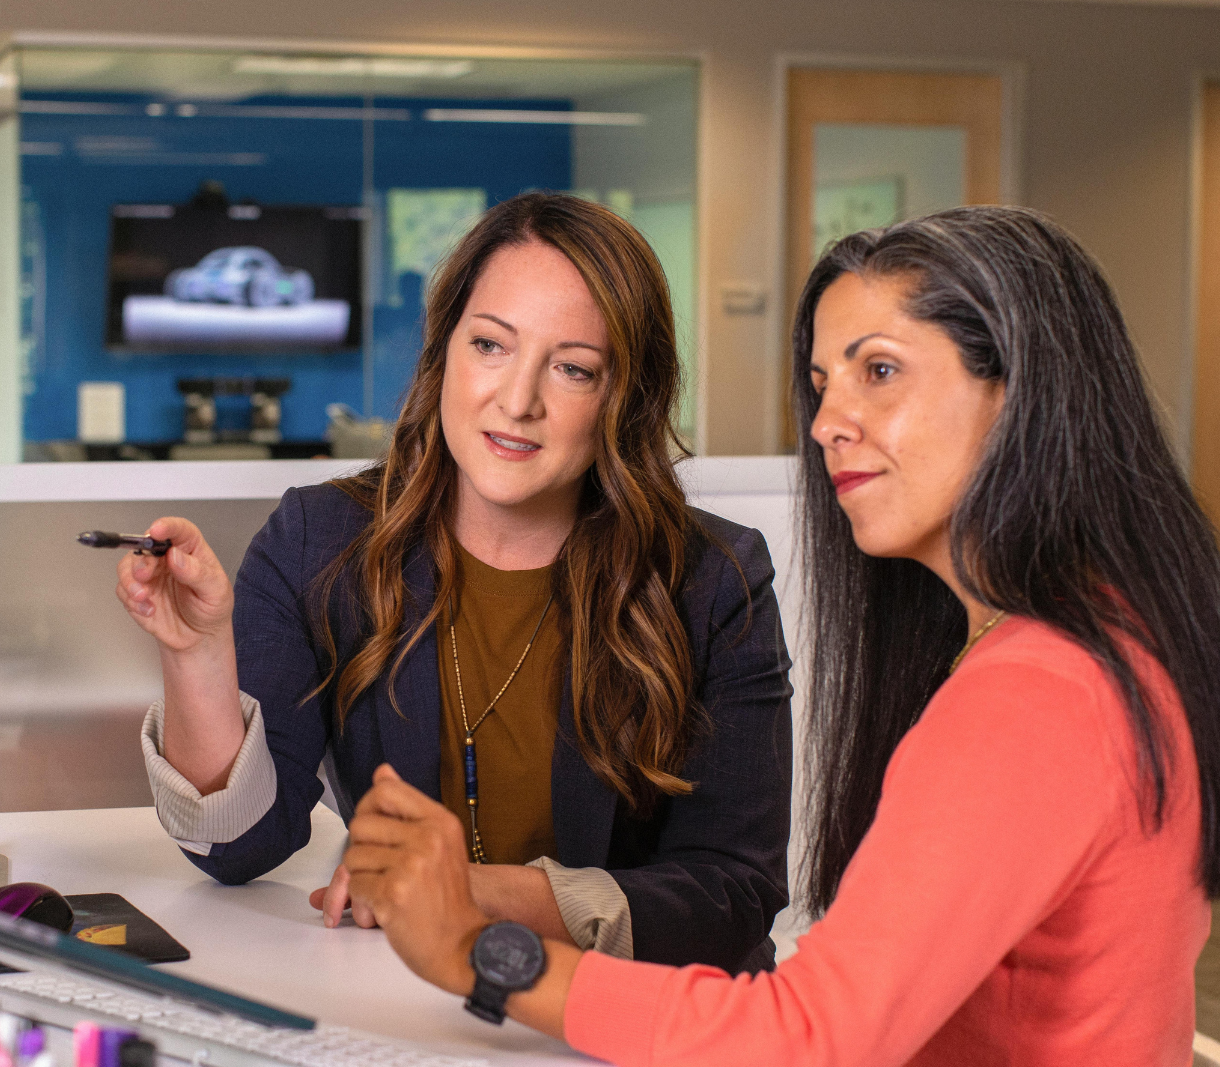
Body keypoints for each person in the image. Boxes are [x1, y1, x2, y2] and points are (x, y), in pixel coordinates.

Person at [341, 205, 1220, 1064]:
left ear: (1021, 391)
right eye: (821, 382)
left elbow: (809, 1037)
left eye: (879, 370)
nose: (829, 420)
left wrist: (475, 951)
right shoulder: (1110, 634)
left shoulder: (1039, 693)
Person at [115, 192, 793, 969]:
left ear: (622, 398)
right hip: (410, 1009)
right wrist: (198, 652)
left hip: (629, 1022)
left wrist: (470, 891)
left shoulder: (714, 578)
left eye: (572, 368)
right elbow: (238, 847)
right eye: (491, 346)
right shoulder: (320, 541)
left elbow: (732, 893)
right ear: (445, 352)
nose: (517, 400)